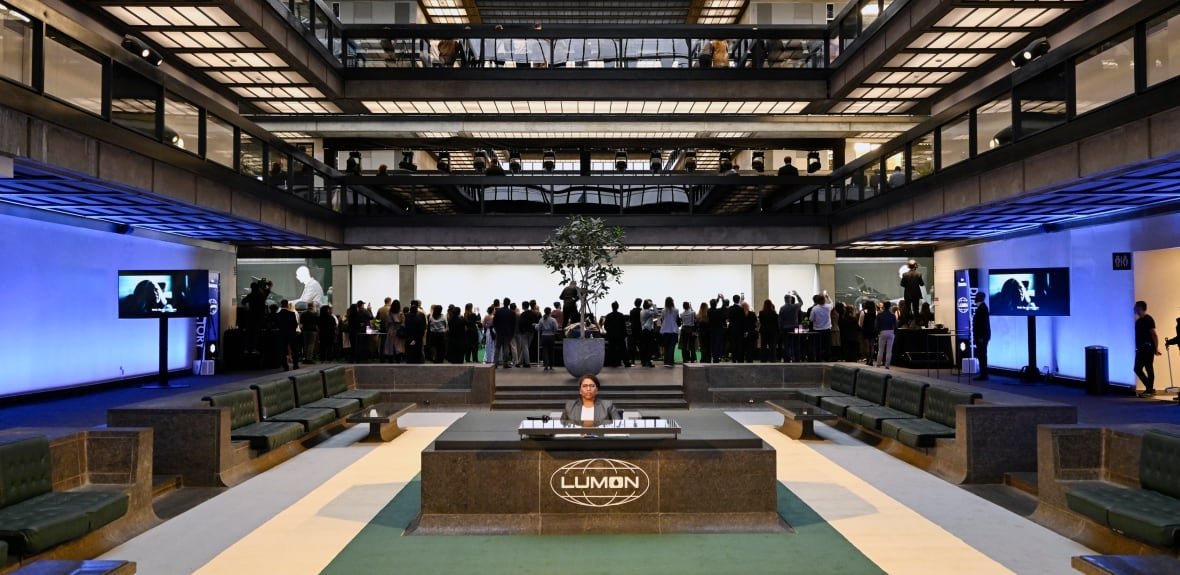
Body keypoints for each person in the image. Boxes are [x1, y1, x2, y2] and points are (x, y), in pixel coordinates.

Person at [1134, 300, 1162, 398]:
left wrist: (1156, 348)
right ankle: (1150, 388)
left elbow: (1154, 334)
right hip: (1140, 348)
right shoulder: (1138, 321)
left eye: (1136, 306)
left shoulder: (1148, 319)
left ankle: (1149, 390)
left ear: (1140, 308)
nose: (1134, 308)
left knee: (1148, 368)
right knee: (1137, 368)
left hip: (1148, 347)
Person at [603, 301, 630, 368]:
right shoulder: (621, 315)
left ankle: (613, 363)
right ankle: (626, 362)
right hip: (620, 335)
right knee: (623, 349)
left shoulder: (608, 316)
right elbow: (623, 326)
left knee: (612, 349)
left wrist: (609, 331)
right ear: (618, 307)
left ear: (612, 307)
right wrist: (624, 334)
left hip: (611, 335)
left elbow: (605, 326)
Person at [276, 299, 300, 370]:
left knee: (283, 351)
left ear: (281, 305)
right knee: (294, 349)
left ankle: (285, 366)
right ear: (287, 305)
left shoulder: (278, 315)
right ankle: (295, 365)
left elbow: (277, 325)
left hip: (282, 334)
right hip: (291, 334)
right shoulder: (292, 314)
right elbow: (295, 324)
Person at [809, 292, 834, 361]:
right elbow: (832, 303)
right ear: (824, 300)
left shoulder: (814, 308)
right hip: (827, 329)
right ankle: (827, 358)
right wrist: (828, 297)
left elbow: (811, 319)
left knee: (818, 345)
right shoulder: (828, 307)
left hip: (817, 330)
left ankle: (818, 358)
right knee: (827, 345)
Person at [493, 297, 517, 368]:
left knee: (497, 348)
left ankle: (495, 363)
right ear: (509, 303)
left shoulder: (498, 311)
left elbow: (494, 322)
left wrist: (497, 330)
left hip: (499, 332)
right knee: (506, 348)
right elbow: (513, 324)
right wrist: (512, 333)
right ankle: (505, 363)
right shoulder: (512, 313)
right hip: (508, 333)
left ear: (503, 303)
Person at [972, 292, 991, 381]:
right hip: (982, 336)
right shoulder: (982, 308)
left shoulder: (982, 308)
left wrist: (980, 337)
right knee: (982, 355)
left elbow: (982, 324)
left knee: (982, 355)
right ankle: (983, 373)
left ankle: (983, 374)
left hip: (982, 337)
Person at [875, 301, 898, 369]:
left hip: (882, 331)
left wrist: (878, 332)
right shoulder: (893, 315)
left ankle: (878, 363)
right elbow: (895, 326)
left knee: (881, 349)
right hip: (891, 332)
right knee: (889, 350)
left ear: (883, 307)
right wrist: (895, 333)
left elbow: (877, 325)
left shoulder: (879, 315)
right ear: (889, 306)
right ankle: (887, 365)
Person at [659, 297, 680, 368]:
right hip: (673, 330)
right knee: (672, 347)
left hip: (665, 330)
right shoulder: (676, 310)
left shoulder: (663, 310)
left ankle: (666, 362)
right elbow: (677, 319)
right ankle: (670, 362)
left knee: (666, 347)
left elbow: (662, 319)